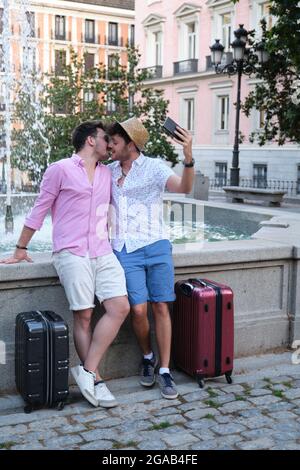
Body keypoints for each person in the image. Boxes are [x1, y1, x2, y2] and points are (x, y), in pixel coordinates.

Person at [1, 121, 130, 408]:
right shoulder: (60, 169)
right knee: (83, 316)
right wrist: (21, 247)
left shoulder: (107, 173)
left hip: (102, 250)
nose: (109, 143)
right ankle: (95, 379)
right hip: (71, 252)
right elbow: (40, 209)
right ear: (89, 141)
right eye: (104, 138)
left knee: (120, 307)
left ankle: (85, 371)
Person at [107, 117, 194, 399]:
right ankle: (147, 356)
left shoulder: (155, 167)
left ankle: (165, 371)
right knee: (139, 310)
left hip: (156, 245)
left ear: (130, 144)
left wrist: (188, 156)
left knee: (161, 308)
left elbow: (183, 188)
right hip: (124, 248)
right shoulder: (107, 171)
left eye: (115, 142)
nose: (110, 146)